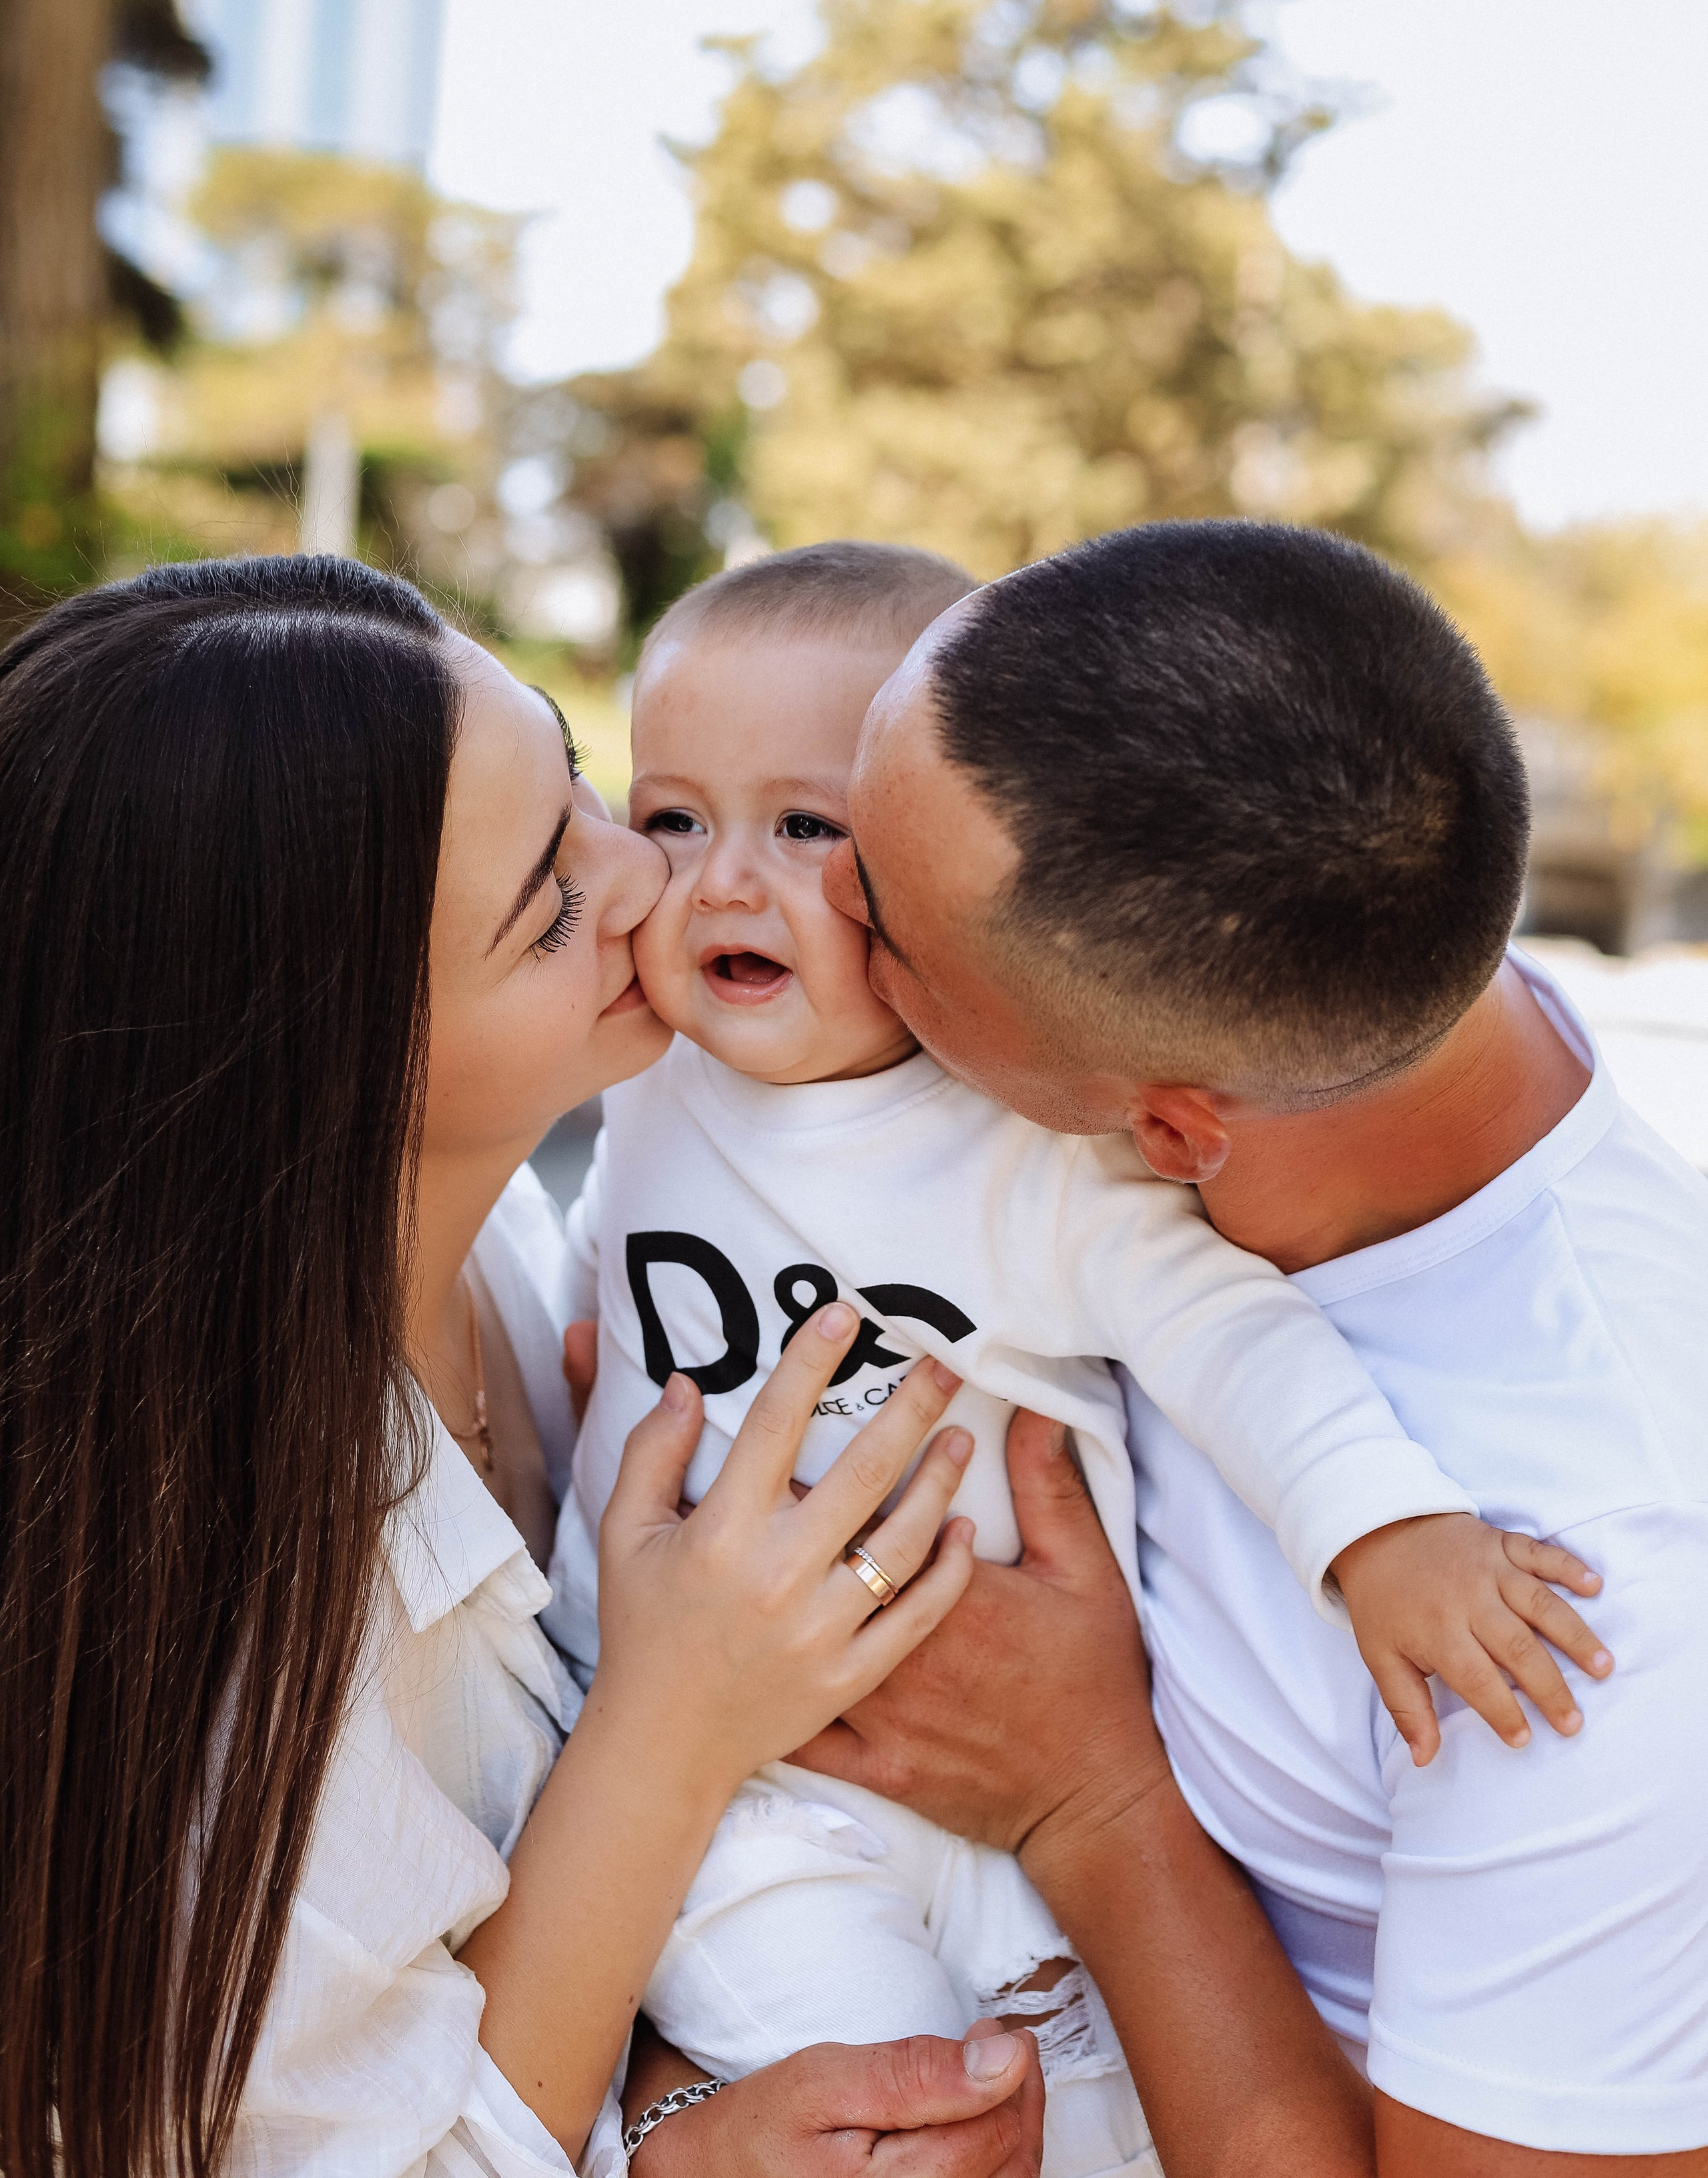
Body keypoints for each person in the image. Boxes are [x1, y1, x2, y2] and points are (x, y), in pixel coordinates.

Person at [545, 540, 1609, 2178]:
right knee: (886, 2096)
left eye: (821, 839)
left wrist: (1379, 1531)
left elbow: (1227, 1336)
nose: (724, 884)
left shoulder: (1021, 1152)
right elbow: (606, 1262)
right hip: (751, 1797)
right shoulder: (649, 1079)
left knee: (1076, 2121)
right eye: (670, 816)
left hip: (1021, 1794)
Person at [0, 556, 1047, 2178]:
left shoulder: (505, 1244)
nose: (653, 873)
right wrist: (674, 1718)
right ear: (317, 1053)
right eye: (552, 899)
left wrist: (673, 2097)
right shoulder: (204, 1607)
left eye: (581, 784)